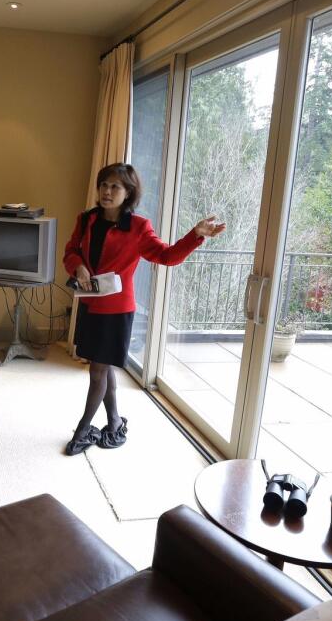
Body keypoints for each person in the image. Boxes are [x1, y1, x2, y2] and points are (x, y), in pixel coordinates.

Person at [63, 163, 226, 455]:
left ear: (128, 193)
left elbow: (167, 256)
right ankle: (113, 423)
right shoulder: (86, 219)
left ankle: (83, 429)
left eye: (115, 186)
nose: (107, 191)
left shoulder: (138, 227)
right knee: (104, 365)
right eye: (104, 185)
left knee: (98, 370)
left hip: (116, 311)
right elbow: (71, 250)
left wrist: (195, 235)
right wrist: (77, 267)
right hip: (89, 303)